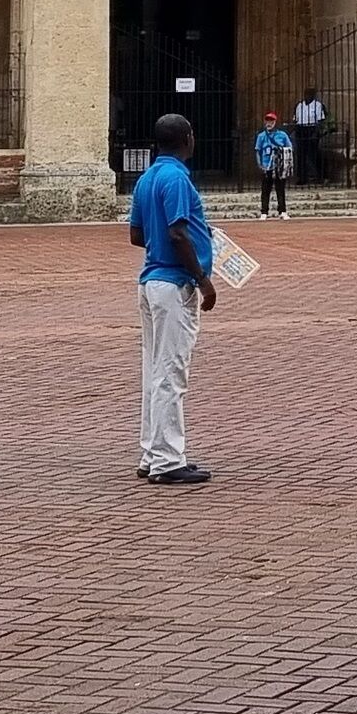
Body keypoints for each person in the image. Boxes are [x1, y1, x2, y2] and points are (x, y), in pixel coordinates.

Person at [127, 114, 217, 485]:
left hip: (150, 282)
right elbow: (178, 233)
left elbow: (136, 234)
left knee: (155, 371)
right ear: (187, 138)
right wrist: (202, 278)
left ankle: (153, 452)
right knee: (171, 372)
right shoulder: (177, 177)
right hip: (173, 283)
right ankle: (167, 460)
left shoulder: (147, 178)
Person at [251, 110, 293, 219]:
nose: (269, 123)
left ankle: (282, 211)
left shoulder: (282, 135)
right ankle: (264, 211)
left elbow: (289, 149)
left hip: (278, 166)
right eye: (267, 121)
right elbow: (257, 151)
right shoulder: (261, 136)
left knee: (280, 189)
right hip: (267, 165)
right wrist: (260, 164)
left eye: (271, 121)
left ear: (275, 122)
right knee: (265, 189)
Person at [291, 88, 331, 186]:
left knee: (315, 154)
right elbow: (295, 120)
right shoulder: (299, 106)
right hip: (301, 129)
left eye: (310, 94)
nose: (307, 96)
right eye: (306, 94)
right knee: (301, 155)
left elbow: (320, 121)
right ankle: (302, 177)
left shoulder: (318, 105)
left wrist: (316, 133)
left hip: (312, 129)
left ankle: (322, 176)